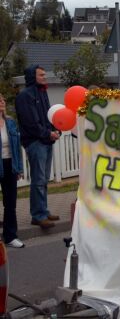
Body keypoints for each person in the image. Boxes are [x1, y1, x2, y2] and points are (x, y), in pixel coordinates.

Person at [15, 65, 60, 229]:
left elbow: (47, 116)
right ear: (32, 77)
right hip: (35, 142)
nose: (45, 77)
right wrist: (47, 134)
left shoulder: (42, 92)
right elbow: (31, 123)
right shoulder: (24, 96)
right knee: (38, 180)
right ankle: (38, 215)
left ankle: (43, 211)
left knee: (44, 179)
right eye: (41, 75)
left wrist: (55, 129)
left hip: (46, 141)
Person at [0, 94, 25, 247]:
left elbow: (16, 147)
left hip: (10, 165)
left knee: (10, 202)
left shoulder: (10, 123)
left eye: (3, 100)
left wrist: (19, 168)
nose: (2, 102)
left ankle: (10, 236)